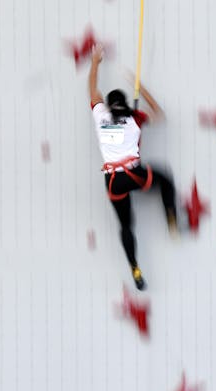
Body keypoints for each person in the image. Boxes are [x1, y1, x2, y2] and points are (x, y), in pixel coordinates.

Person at [88, 44, 178, 290]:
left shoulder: (101, 117)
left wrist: (96, 62)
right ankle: (172, 218)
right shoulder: (135, 118)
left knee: (126, 225)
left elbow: (92, 89)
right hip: (134, 175)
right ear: (126, 104)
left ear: (108, 105)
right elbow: (159, 114)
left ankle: (134, 266)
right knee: (165, 179)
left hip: (114, 181)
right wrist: (141, 86)